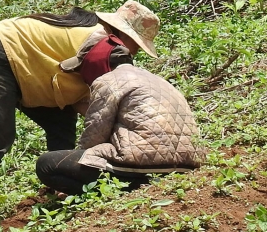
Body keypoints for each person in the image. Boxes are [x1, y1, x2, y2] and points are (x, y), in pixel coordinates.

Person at [0, 0, 161, 215]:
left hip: (33, 69)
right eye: (137, 45)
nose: (135, 52)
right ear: (125, 33)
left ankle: (59, 192)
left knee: (63, 129)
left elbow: (86, 102)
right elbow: (105, 106)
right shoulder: (105, 46)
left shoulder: (94, 35)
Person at [35, 36, 202, 196]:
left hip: (143, 164)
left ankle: (119, 190)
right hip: (188, 165)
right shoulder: (160, 81)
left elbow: (94, 138)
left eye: (82, 69)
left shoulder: (108, 80)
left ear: (96, 64)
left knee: (47, 164)